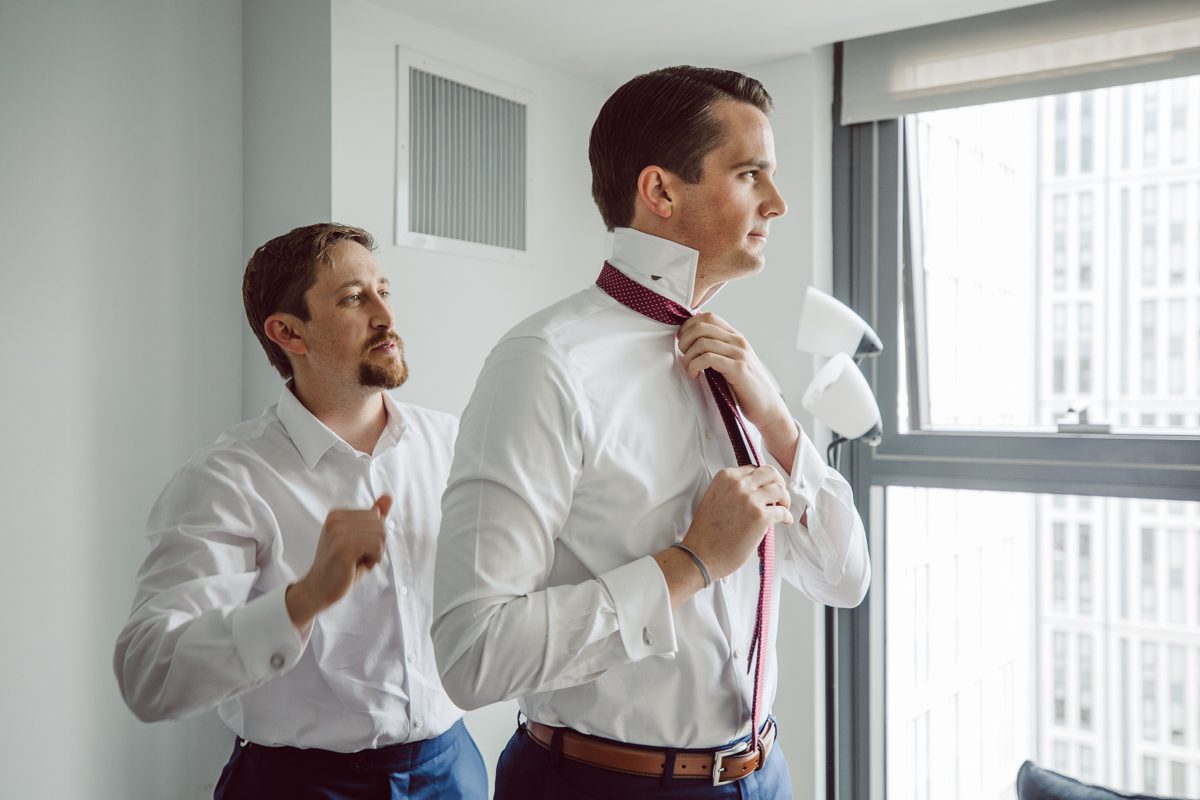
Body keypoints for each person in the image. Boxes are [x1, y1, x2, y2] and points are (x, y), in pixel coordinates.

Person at [432, 66, 872, 799]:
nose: (778, 202)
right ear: (661, 192)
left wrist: (778, 421)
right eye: (750, 173)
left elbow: (845, 579)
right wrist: (691, 562)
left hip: (763, 774)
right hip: (599, 785)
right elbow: (472, 655)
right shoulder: (545, 363)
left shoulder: (736, 364)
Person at [114, 223, 487, 799]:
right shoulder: (228, 479)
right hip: (298, 784)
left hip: (451, 770)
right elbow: (151, 675)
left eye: (384, 291)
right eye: (354, 298)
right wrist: (305, 597)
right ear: (288, 332)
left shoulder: (453, 444)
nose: (386, 316)